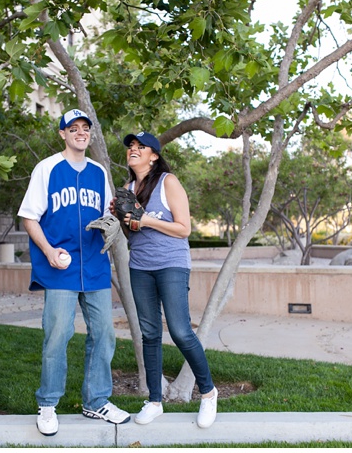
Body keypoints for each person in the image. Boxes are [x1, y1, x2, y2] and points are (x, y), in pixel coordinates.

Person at [17, 109, 130, 436]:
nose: (80, 132)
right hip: (60, 265)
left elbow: (109, 216)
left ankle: (96, 401)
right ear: (62, 134)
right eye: (73, 128)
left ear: (90, 134)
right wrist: (49, 251)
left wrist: (114, 224)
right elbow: (29, 217)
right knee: (57, 335)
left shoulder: (98, 172)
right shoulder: (47, 169)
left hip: (94, 266)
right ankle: (48, 403)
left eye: (85, 128)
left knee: (104, 335)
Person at [113, 131, 218, 428]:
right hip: (141, 266)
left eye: (140, 147)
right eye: (130, 147)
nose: (133, 150)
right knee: (149, 333)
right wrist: (124, 219)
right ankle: (155, 401)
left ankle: (208, 393)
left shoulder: (168, 182)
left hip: (171, 264)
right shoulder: (127, 188)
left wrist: (145, 219)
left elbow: (184, 229)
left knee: (181, 331)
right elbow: (132, 235)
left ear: (154, 156)